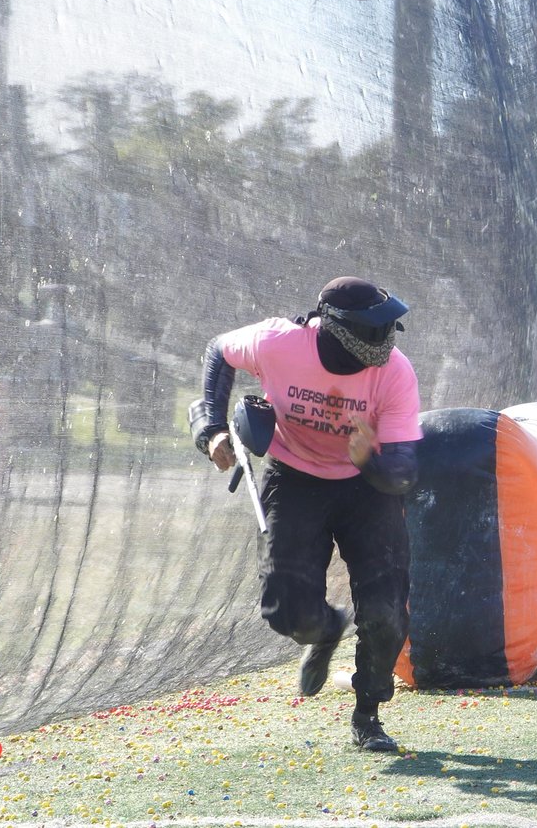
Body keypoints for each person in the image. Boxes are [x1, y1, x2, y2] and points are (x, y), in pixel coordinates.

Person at [190, 276, 422, 752]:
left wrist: (369, 460)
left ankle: (367, 715)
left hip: (367, 488)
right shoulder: (278, 342)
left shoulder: (396, 373)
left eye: (388, 328)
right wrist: (212, 429)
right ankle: (326, 629)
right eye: (374, 330)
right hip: (293, 478)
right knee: (288, 613)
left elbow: (402, 473)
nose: (386, 340)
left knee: (385, 615)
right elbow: (219, 351)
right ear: (334, 327)